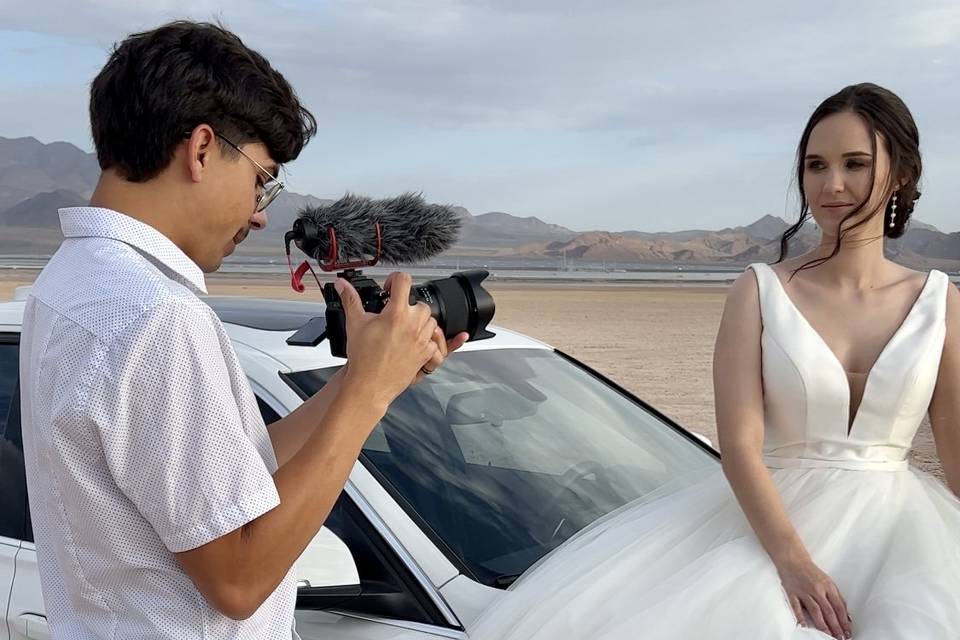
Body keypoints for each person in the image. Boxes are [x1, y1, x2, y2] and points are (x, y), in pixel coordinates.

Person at [18, 21, 466, 639]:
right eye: (262, 179)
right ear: (202, 149)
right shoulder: (155, 315)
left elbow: (233, 476)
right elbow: (239, 579)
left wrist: (372, 378)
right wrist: (365, 398)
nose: (260, 215)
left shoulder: (74, 281)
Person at [469, 83, 960, 639]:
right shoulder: (759, 291)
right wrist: (794, 565)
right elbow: (741, 449)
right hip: (769, 533)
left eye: (855, 163)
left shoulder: (939, 302)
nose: (832, 184)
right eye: (816, 165)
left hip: (908, 542)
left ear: (900, 173)